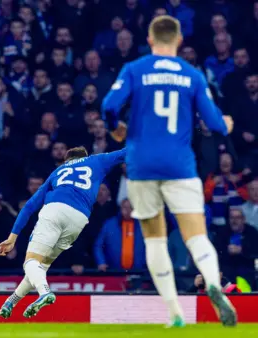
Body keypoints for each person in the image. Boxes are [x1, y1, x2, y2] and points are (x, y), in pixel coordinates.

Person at [101, 15, 236, 327]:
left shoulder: (135, 70)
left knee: (156, 240)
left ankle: (175, 312)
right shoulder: (192, 75)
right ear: (179, 40)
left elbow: (109, 105)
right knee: (196, 235)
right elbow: (214, 124)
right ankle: (214, 284)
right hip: (180, 165)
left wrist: (116, 128)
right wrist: (225, 124)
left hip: (141, 165)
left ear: (150, 40)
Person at [0, 147, 125, 319]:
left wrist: (12, 238)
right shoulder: (97, 160)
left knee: (31, 262)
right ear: (84, 157)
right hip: (79, 219)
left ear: (67, 161)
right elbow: (126, 151)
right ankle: (11, 301)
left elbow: (30, 205)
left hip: (54, 211)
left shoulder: (58, 171)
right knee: (40, 267)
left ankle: (45, 293)